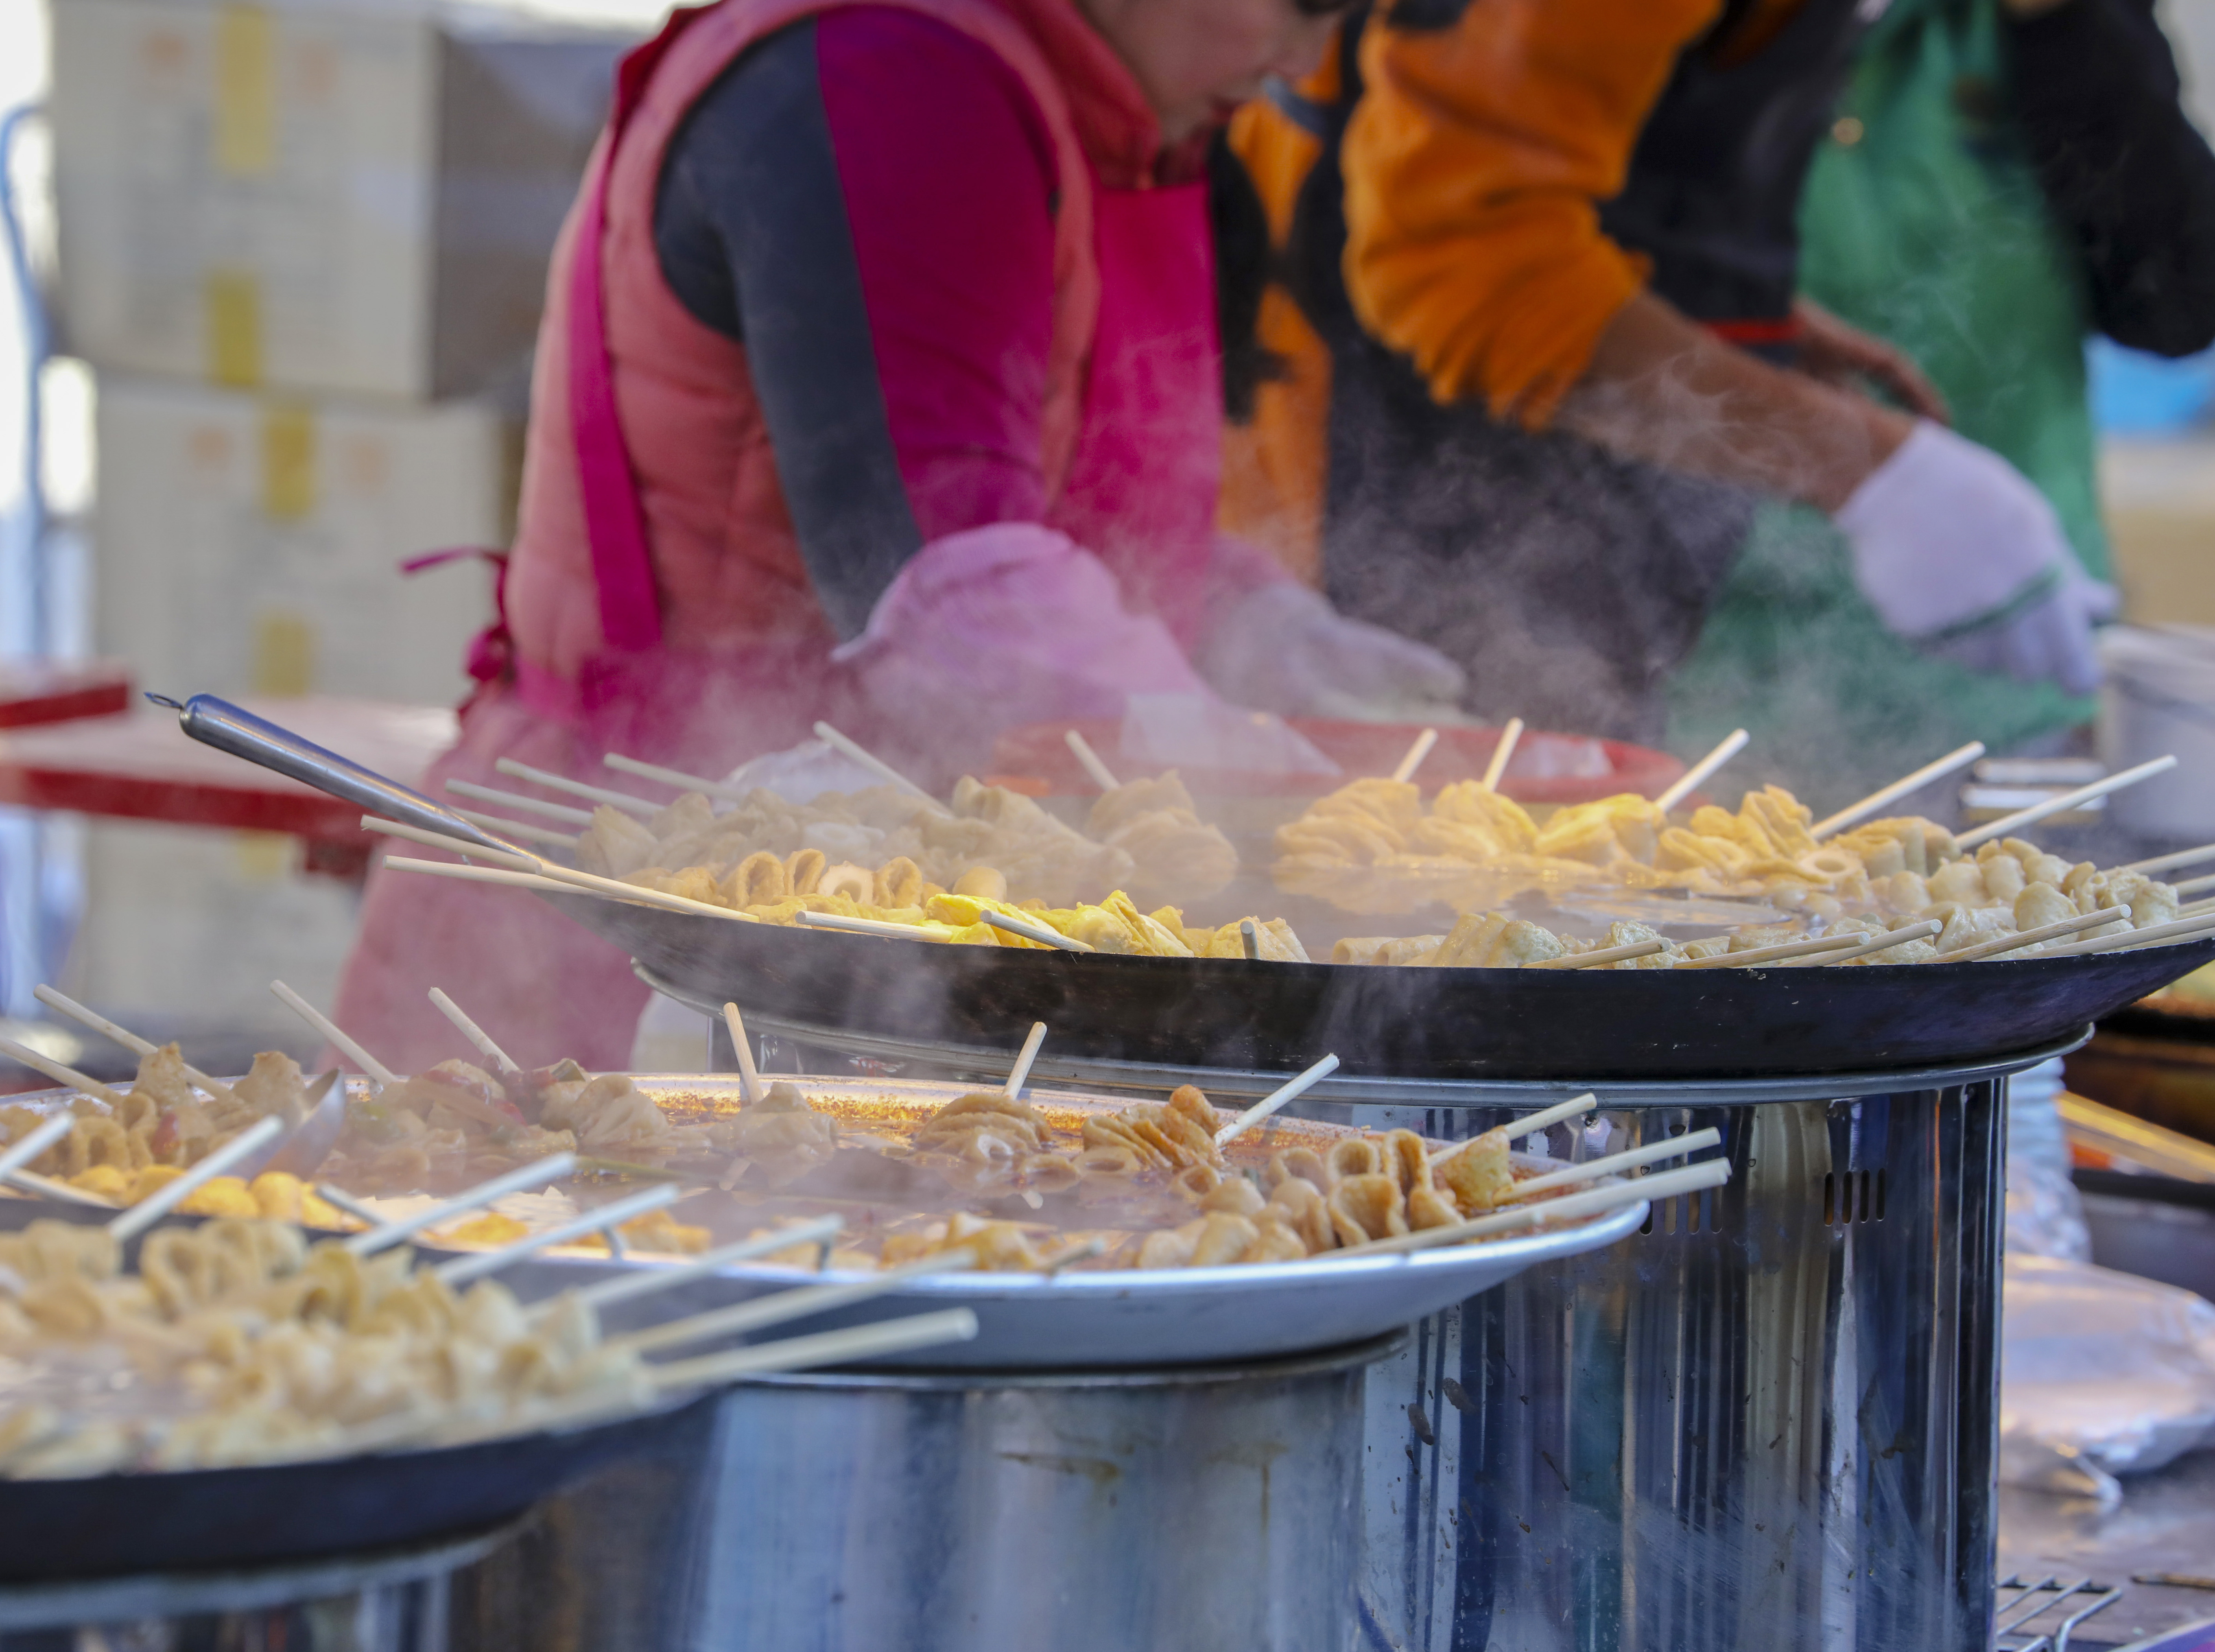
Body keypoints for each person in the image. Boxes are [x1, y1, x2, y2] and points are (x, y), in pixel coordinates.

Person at [333, 0, 1463, 1071]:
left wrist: (1251, 628)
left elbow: (1060, 513)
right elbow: (954, 601)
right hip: (658, 914)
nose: (1306, 62)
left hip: (875, 925)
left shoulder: (1086, 109)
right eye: (1301, 6)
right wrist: (1249, 797)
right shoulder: (894, 80)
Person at [1221, 0, 2111, 744]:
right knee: (1441, 894)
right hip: (1410, 479)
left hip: (1597, 511)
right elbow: (1459, 255)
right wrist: (1870, 468)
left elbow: (1614, 146)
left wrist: (1736, 316)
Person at [1666, 0, 2215, 799]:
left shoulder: (2035, 26)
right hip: (1694, 692)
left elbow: (2180, 303)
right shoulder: (1660, 28)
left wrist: (2067, 26)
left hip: (2008, 696)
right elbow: (1570, 298)